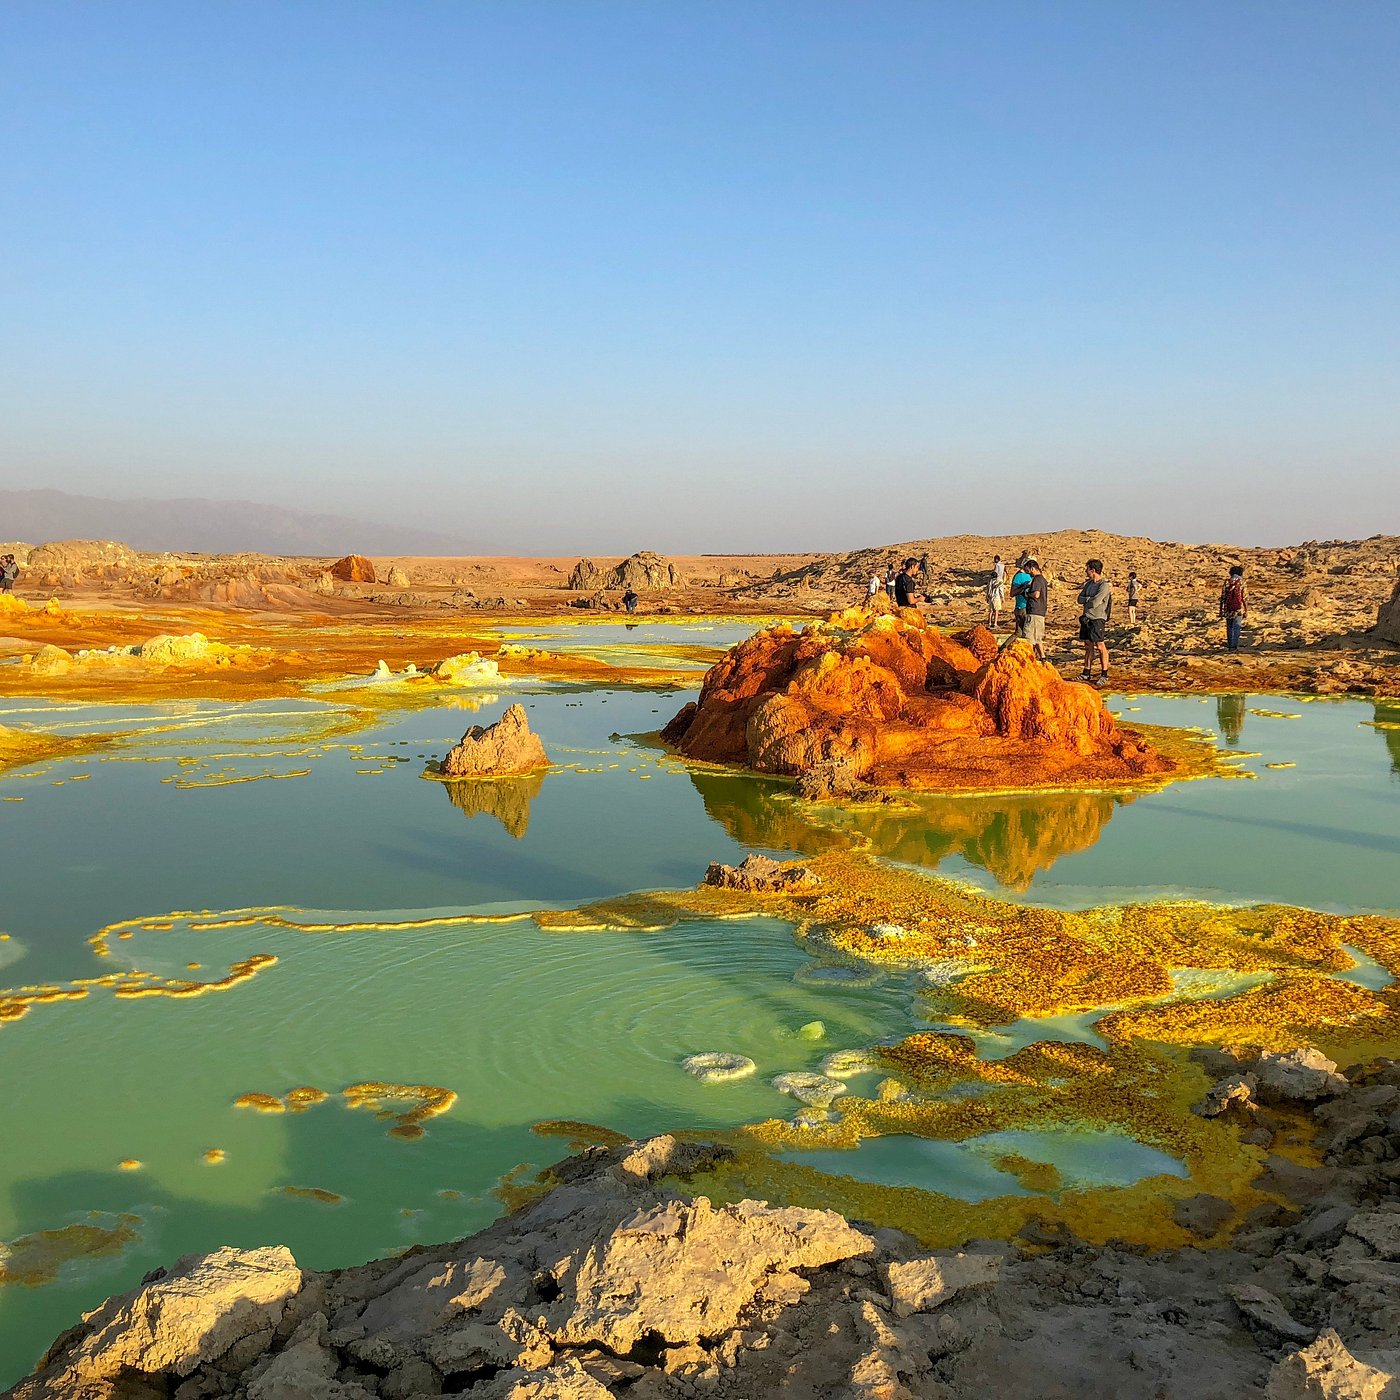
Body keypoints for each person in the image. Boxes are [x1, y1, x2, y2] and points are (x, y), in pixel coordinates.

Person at [1077, 558, 1112, 685]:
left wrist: (1087, 599)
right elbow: (1079, 599)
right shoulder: (1089, 584)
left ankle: (1104, 674)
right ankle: (1086, 672)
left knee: (1100, 645)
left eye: (1087, 569)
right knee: (1088, 646)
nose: (1086, 572)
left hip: (1097, 619)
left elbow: (1095, 602)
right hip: (1087, 618)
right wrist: (1088, 599)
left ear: (1092, 570)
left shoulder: (1103, 585)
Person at [1022, 558, 1049, 661]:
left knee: (1028, 637)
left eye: (1028, 571)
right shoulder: (1043, 579)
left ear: (1032, 568)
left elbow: (1036, 594)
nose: (1028, 574)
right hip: (1040, 612)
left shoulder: (1037, 579)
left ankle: (1028, 659)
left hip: (1034, 611)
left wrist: (1027, 593)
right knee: (1038, 638)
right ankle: (1042, 657)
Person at [1219, 565, 1247, 652]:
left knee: (1229, 626)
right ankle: (1235, 646)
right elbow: (1244, 597)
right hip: (1238, 608)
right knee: (1237, 626)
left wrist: (1221, 610)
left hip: (1228, 607)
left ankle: (1230, 645)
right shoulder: (1241, 582)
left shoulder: (1227, 581)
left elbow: (1223, 597)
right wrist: (1246, 610)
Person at [1009, 558, 1033, 637]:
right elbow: (1012, 593)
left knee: (1022, 633)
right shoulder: (1019, 576)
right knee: (1022, 633)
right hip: (1022, 607)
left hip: (1029, 606)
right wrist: (1024, 587)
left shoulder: (1030, 575)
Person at [986, 555, 1006, 628]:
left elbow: (988, 589)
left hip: (991, 597)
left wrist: (987, 597)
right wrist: (1003, 598)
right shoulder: (999, 581)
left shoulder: (990, 581)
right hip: (996, 597)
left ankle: (989, 623)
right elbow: (1001, 590)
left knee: (991, 611)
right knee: (996, 611)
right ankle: (995, 623)